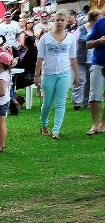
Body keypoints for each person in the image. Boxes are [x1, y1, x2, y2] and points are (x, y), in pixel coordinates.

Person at [36, 10, 78, 139]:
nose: (59, 22)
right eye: (57, 20)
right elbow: (40, 58)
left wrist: (76, 74)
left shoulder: (71, 37)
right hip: (48, 73)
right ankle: (44, 124)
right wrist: (37, 75)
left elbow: (73, 57)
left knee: (60, 102)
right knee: (47, 102)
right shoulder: (45, 38)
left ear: (66, 21)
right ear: (53, 21)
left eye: (62, 20)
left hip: (64, 73)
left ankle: (56, 130)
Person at [74, 10, 101, 111]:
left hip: (93, 58)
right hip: (81, 56)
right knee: (80, 79)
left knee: (90, 81)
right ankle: (77, 101)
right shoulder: (82, 29)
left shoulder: (99, 28)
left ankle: (87, 101)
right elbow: (76, 41)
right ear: (94, 18)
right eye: (98, 17)